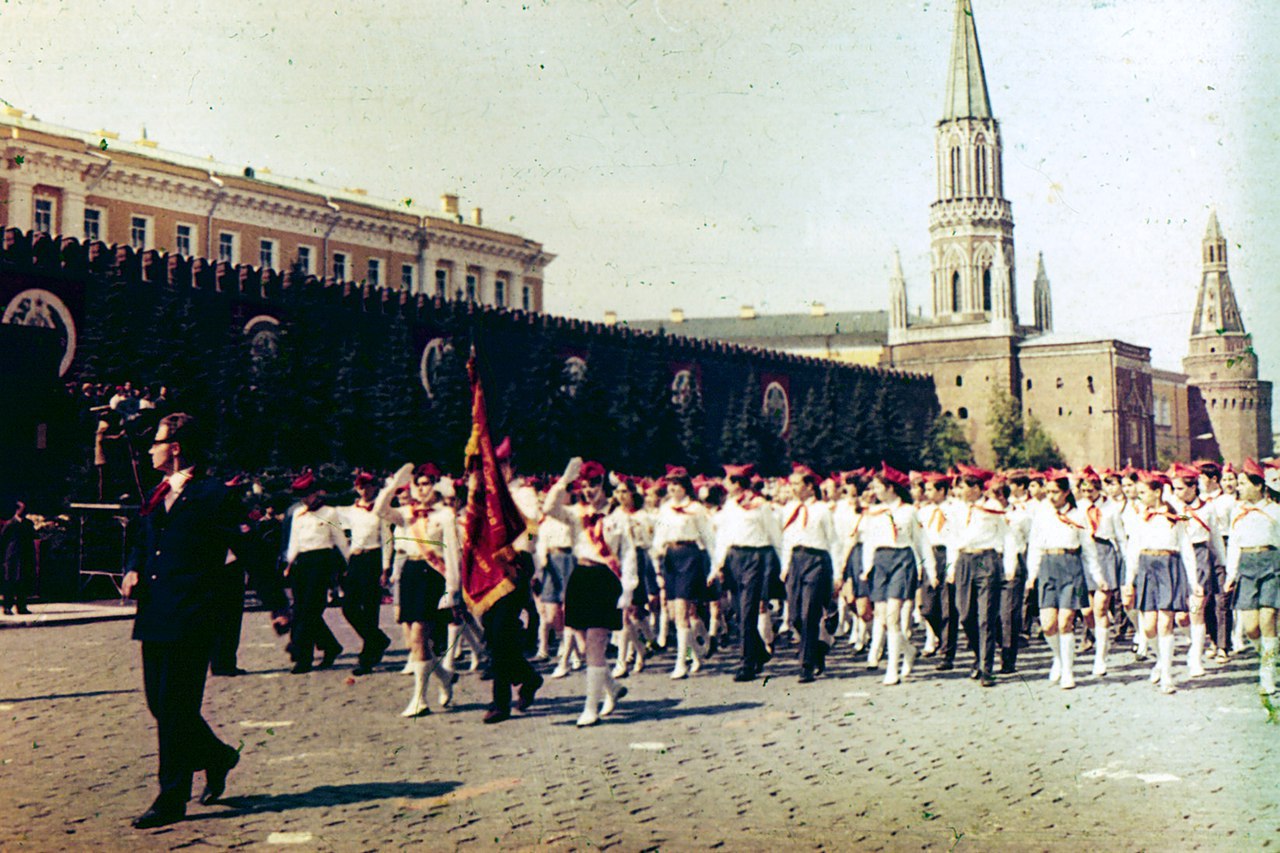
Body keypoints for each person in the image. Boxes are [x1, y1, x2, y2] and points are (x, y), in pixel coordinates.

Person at [121, 413, 242, 828]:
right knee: (161, 705)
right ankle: (217, 756)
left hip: (192, 616)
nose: (150, 448)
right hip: (155, 612)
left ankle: (171, 798)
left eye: (156, 441)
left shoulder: (212, 494)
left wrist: (279, 604)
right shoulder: (157, 493)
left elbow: (245, 546)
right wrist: (132, 568)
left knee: (177, 707)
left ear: (176, 447)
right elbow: (141, 539)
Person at [543, 458, 637, 726]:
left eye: (593, 484)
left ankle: (590, 708)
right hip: (580, 577)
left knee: (596, 645)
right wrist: (563, 480)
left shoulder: (618, 517)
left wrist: (628, 590)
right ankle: (612, 688)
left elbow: (628, 554)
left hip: (606, 579)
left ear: (604, 486)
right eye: (584, 485)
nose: (588, 490)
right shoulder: (575, 513)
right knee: (584, 648)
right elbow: (550, 508)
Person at [376, 463, 460, 717]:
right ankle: (444, 677)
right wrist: (393, 484)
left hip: (432, 575)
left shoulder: (445, 515)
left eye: (427, 483)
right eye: (418, 484)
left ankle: (419, 699)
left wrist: (452, 591)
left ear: (436, 485)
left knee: (420, 635)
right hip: (410, 573)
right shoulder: (406, 513)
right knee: (415, 641)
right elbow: (380, 510)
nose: (422, 489)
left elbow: (452, 554)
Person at [1122, 471, 1201, 694]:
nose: (1139, 498)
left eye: (1143, 493)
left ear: (1157, 492)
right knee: (1148, 628)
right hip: (1147, 568)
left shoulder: (1175, 516)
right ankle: (1160, 659)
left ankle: (1167, 675)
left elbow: (1187, 549)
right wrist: (1129, 581)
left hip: (1169, 566)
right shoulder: (1139, 517)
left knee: (1166, 623)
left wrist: (1194, 582)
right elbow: (1132, 550)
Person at [1026, 472, 1103, 689]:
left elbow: (1088, 550)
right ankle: (1058, 658)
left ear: (1066, 492)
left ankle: (1069, 671)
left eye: (1055, 492)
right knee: (1048, 624)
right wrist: (1032, 575)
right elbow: (1035, 546)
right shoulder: (1042, 514)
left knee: (1065, 622)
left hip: (1071, 567)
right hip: (1048, 567)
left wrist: (1097, 576)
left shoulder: (1078, 516)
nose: (1051, 496)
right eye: (1048, 492)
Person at [861, 464, 934, 685]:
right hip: (881, 562)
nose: (875, 491)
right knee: (882, 618)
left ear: (890, 487)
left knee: (893, 616)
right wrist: (867, 568)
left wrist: (930, 569)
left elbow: (921, 541)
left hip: (902, 559)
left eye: (877, 487)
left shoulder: (909, 511)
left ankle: (892, 669)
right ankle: (909, 650)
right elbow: (869, 542)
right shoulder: (873, 512)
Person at [945, 464, 1015, 687]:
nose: (960, 492)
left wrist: (1010, 565)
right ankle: (979, 654)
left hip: (987, 560)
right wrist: (951, 567)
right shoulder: (956, 509)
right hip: (964, 560)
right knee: (965, 615)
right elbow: (952, 539)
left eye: (963, 487)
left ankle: (986, 669)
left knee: (986, 616)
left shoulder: (992, 507)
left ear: (976, 488)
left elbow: (1008, 537)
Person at [713, 464, 783, 682]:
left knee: (748, 610)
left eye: (728, 480)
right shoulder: (730, 505)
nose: (724, 484)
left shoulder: (760, 505)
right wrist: (719, 563)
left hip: (756, 557)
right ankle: (760, 652)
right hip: (734, 557)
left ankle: (746, 663)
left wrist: (783, 563)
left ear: (737, 483)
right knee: (738, 611)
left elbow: (775, 535)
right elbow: (723, 536)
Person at [650, 466, 716, 679]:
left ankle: (681, 663)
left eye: (676, 484)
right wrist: (657, 556)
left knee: (682, 613)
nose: (672, 488)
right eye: (669, 484)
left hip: (689, 556)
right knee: (671, 613)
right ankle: (694, 654)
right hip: (670, 557)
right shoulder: (665, 508)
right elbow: (659, 535)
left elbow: (708, 537)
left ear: (685, 487)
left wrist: (715, 566)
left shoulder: (696, 509)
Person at [1223, 459, 1280, 695]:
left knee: (1267, 620)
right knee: (1251, 628)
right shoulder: (1237, 511)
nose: (1239, 488)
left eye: (1243, 484)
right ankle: (1268, 656)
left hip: (1271, 565)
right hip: (1247, 567)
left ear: (1258, 485)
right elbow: (1234, 545)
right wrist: (1231, 575)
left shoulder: (1275, 510)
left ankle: (1267, 674)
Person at [283, 472, 349, 674]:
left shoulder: (330, 513)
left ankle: (303, 659)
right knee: (301, 610)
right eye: (301, 495)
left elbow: (339, 539)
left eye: (307, 494)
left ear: (316, 493)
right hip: (302, 563)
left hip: (321, 562)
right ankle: (330, 646)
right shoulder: (298, 514)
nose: (305, 499)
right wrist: (289, 564)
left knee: (310, 610)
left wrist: (347, 563)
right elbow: (294, 541)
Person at [781, 463, 839, 683]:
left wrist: (837, 573)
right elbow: (786, 539)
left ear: (809, 486)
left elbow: (833, 541)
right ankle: (818, 649)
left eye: (797, 484)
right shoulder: (789, 508)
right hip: (796, 560)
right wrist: (785, 566)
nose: (793, 488)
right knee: (794, 617)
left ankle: (806, 666)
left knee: (809, 614)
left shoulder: (822, 510)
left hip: (817, 560)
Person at [1168, 462, 1225, 678]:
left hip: (1200, 556)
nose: (1176, 493)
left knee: (1197, 609)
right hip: (1179, 558)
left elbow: (1216, 538)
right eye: (1174, 488)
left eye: (1180, 488)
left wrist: (1223, 564)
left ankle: (1195, 658)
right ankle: (1194, 640)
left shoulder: (1208, 507)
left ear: (1193, 487)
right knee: (1182, 617)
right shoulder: (1172, 508)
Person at [336, 471, 393, 675]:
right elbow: (340, 533)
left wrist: (386, 567)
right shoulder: (351, 510)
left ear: (374, 487)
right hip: (356, 559)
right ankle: (378, 639)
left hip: (373, 558)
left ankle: (367, 658)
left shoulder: (381, 509)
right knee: (349, 607)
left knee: (370, 609)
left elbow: (387, 539)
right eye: (360, 486)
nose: (364, 490)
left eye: (367, 486)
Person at [1, 500, 36, 615]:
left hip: (25, 557)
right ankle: (7, 607)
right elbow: (3, 540)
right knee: (9, 582)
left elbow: (32, 540)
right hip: (12, 558)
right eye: (22, 509)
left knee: (23, 582)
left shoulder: (28, 524)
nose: (25, 512)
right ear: (17, 510)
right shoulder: (10, 524)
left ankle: (21, 607)